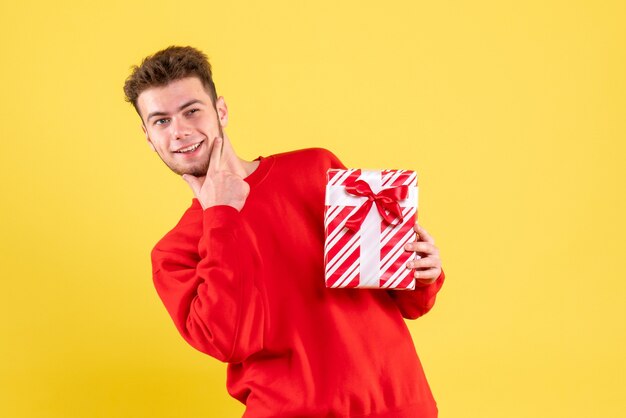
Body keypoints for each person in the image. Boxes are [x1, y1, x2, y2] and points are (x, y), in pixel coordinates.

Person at [123, 45, 446, 418]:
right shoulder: (173, 253)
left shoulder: (316, 169)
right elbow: (226, 340)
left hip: (399, 405)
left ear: (221, 111)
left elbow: (409, 301)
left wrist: (423, 271)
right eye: (161, 121)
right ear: (148, 136)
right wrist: (221, 215)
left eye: (191, 111)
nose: (179, 131)